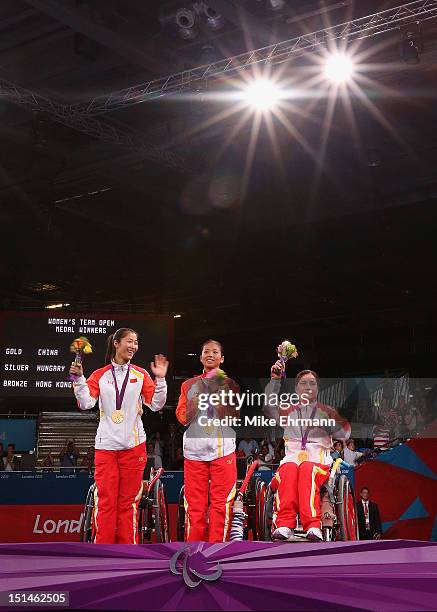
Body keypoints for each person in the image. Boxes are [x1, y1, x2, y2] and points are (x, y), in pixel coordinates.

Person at [70, 327, 168, 544]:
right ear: (116, 343)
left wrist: (160, 380)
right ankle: (102, 553)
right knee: (106, 502)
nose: (133, 346)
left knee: (129, 502)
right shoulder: (100, 375)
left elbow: (156, 404)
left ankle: (128, 553)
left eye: (136, 342)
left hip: (134, 447)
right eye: (129, 341)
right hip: (106, 448)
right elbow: (86, 403)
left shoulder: (141, 374)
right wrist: (78, 379)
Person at [264, 365, 351, 541]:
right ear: (297, 389)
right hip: (291, 461)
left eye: (312, 383)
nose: (308, 387)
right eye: (303, 383)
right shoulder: (288, 411)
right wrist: (275, 380)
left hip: (318, 465)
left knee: (306, 469)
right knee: (288, 469)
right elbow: (268, 407)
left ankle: (313, 525)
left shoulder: (327, 411)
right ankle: (284, 524)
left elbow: (345, 432)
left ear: (317, 388)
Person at [176, 339, 239, 542]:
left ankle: (217, 551)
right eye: (206, 352)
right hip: (195, 452)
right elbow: (182, 417)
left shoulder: (230, 385)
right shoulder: (188, 385)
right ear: (201, 357)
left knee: (221, 504)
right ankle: (193, 550)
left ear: (222, 358)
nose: (210, 354)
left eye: (214, 352)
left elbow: (234, 416)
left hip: (223, 451)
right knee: (195, 506)